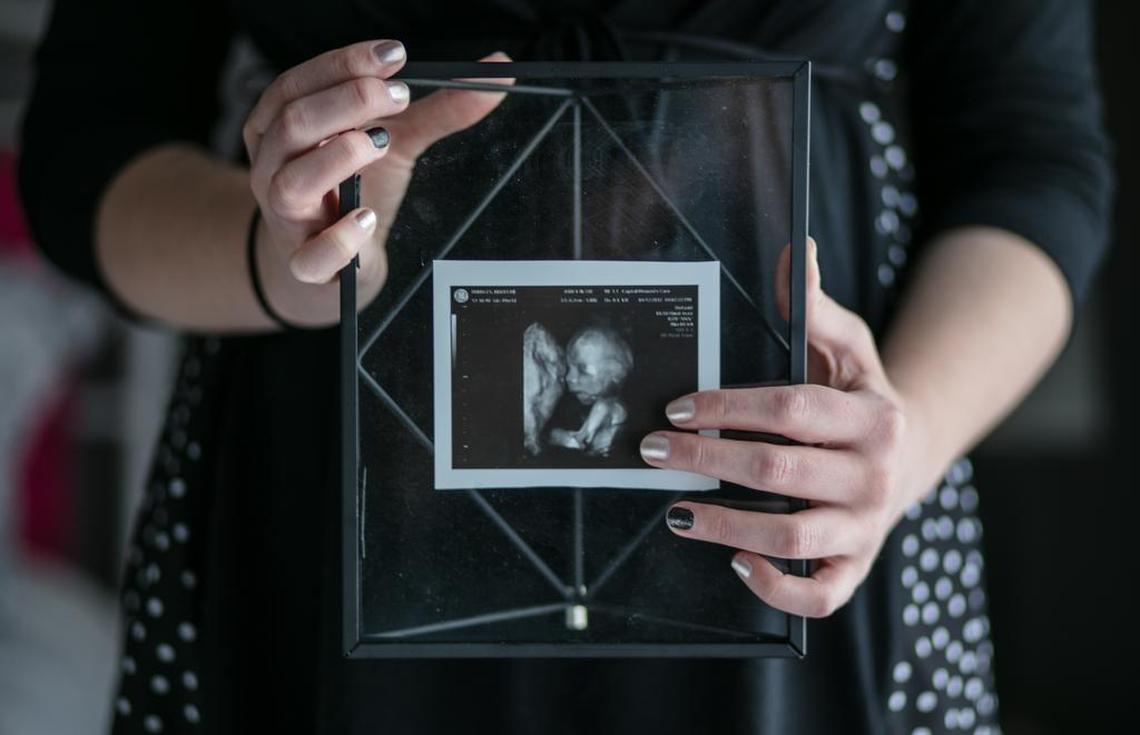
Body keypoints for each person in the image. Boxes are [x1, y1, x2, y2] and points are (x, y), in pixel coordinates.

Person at [18, 1, 1112, 733]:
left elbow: (1032, 157)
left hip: (809, 529)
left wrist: (906, 438)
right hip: (326, 522)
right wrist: (282, 261)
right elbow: (87, 149)